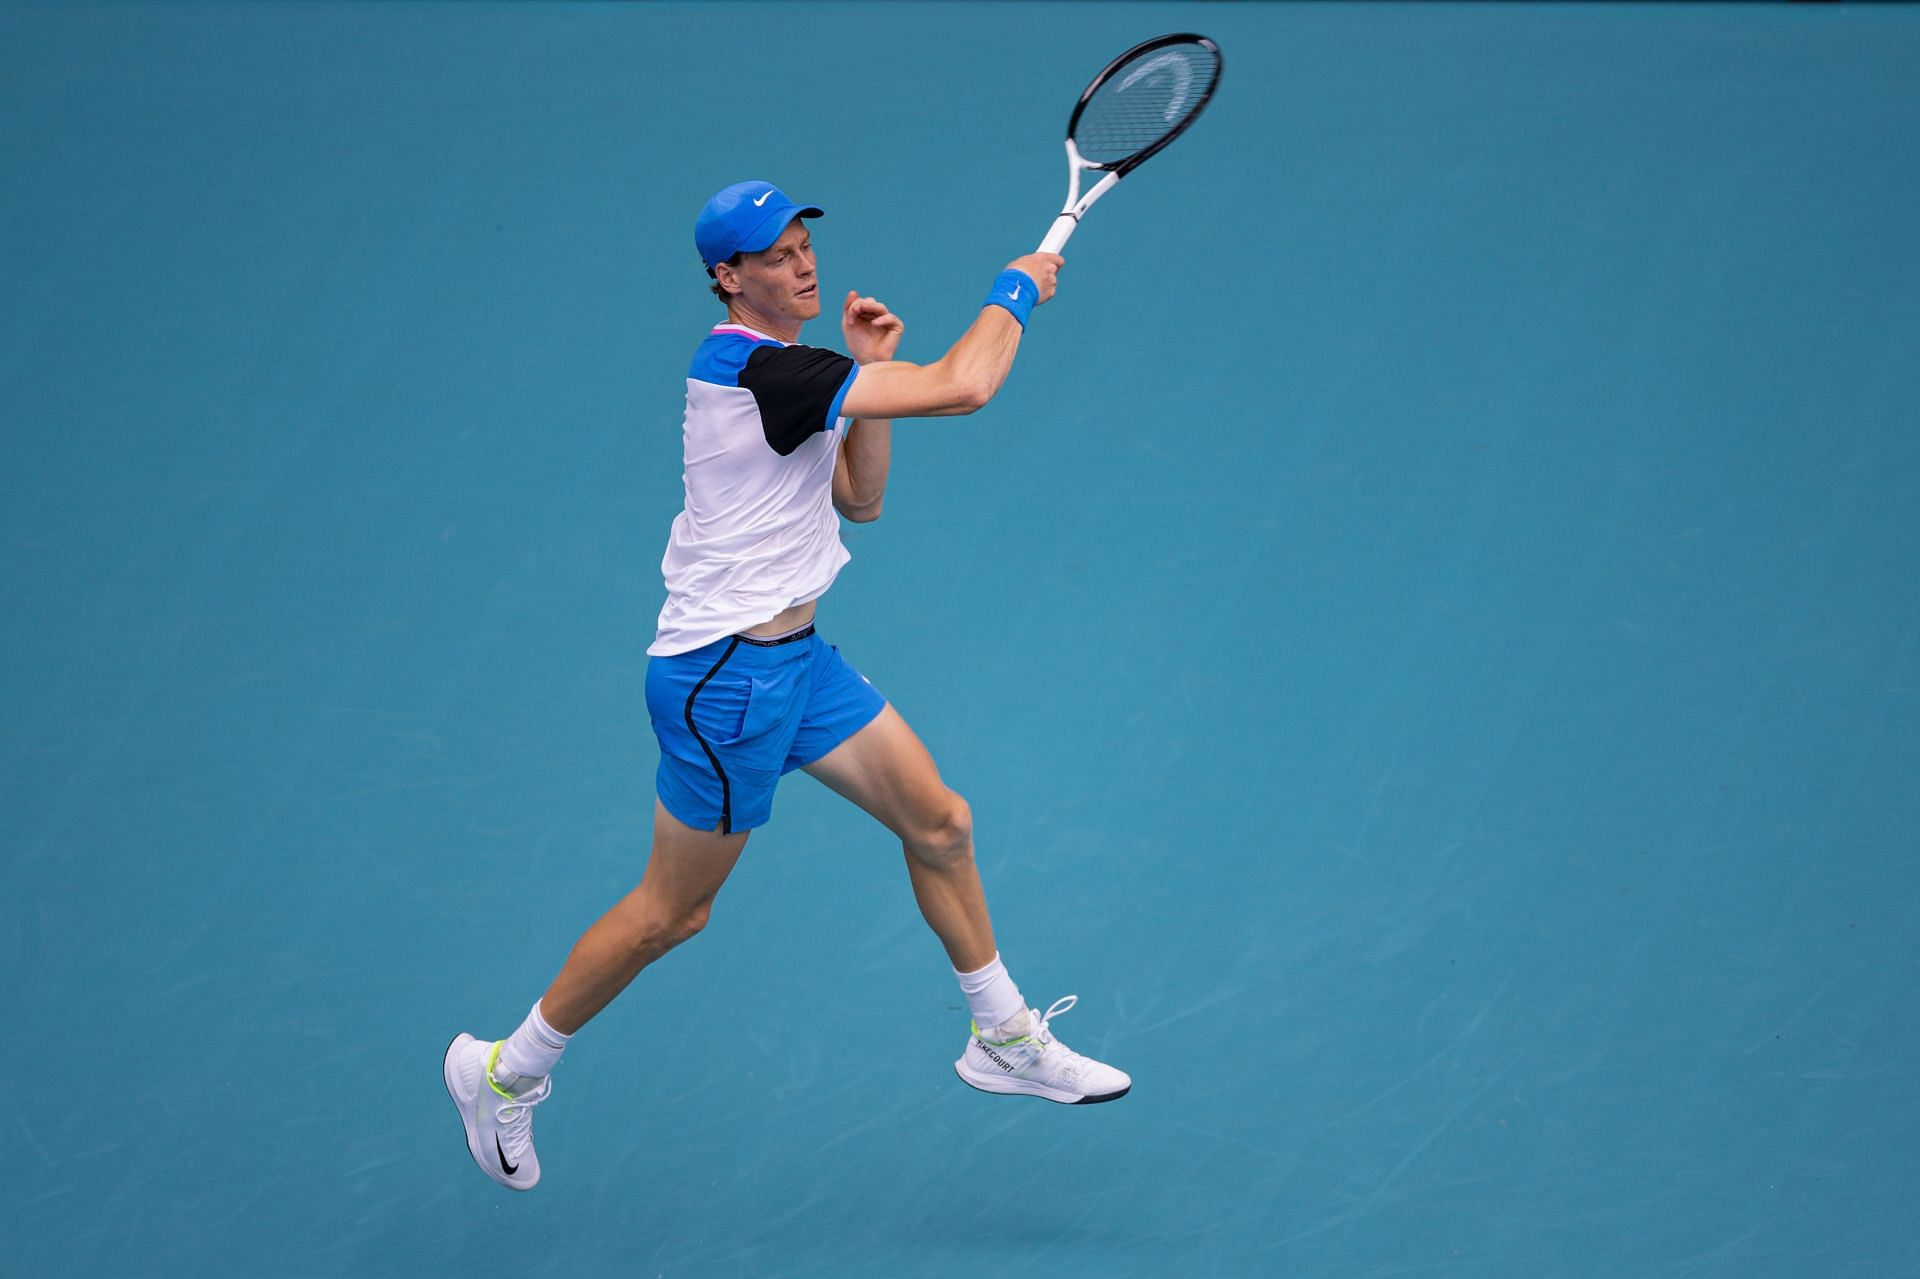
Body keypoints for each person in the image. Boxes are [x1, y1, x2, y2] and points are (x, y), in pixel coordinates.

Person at [444, 181, 1130, 1191]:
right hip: (725, 681)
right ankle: (504, 1071)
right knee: (674, 914)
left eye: (805, 242)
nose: (802, 263)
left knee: (939, 823)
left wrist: (873, 371)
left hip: (794, 664)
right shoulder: (755, 366)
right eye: (775, 253)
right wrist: (1015, 290)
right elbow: (968, 386)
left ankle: (1003, 1036)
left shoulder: (798, 373)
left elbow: (861, 498)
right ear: (730, 278)